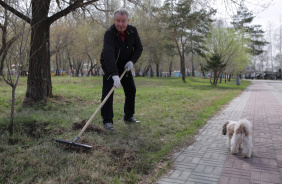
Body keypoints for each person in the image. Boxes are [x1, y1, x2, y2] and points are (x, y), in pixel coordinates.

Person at [100, 8, 143, 131]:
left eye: (123, 21)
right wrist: (114, 74)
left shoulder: (133, 31)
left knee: (131, 90)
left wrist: (131, 61)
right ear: (114, 21)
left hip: (125, 67)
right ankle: (107, 121)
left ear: (128, 21)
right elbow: (108, 54)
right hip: (109, 66)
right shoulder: (109, 33)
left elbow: (139, 48)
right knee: (108, 93)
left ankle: (128, 116)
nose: (120, 24)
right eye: (117, 21)